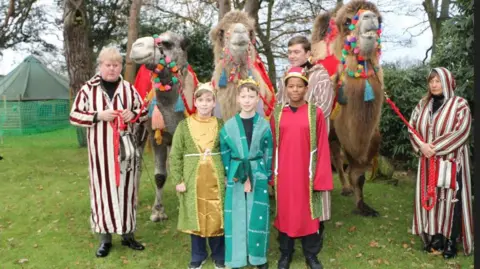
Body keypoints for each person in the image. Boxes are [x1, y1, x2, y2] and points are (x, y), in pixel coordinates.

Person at [69, 46, 148, 258]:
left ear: (120, 66)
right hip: (100, 155)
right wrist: (97, 115)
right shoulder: (88, 89)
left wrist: (132, 114)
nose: (112, 69)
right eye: (108, 65)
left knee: (127, 192)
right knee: (102, 194)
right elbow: (74, 116)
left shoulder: (129, 89)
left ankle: (128, 235)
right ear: (100, 66)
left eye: (116, 65)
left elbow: (143, 112)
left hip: (125, 153)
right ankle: (105, 239)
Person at [270, 67, 333, 269]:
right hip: (285, 174)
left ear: (306, 88)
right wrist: (272, 173)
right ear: (285, 89)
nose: (295, 90)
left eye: (299, 86)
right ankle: (285, 254)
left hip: (307, 174)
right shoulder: (277, 114)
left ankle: (311, 255)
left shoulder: (316, 113)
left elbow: (322, 145)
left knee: (308, 215)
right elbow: (271, 145)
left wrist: (321, 177)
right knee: (285, 214)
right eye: (291, 86)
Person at [408, 67, 473, 258]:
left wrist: (433, 148)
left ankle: (452, 241)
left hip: (451, 162)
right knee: (433, 199)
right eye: (431, 81)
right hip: (428, 163)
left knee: (452, 201)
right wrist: (421, 148)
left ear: (446, 82)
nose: (434, 85)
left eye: (438, 81)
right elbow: (412, 128)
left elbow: (461, 131)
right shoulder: (422, 105)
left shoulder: (460, 104)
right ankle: (436, 238)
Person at [169, 82, 225, 269]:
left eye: (208, 100)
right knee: (196, 215)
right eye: (200, 100)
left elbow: (227, 151)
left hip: (215, 179)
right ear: (195, 102)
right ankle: (198, 254)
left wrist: (226, 175)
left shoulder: (220, 124)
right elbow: (175, 154)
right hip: (193, 180)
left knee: (217, 215)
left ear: (214, 103)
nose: (204, 104)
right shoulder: (184, 126)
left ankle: (219, 255)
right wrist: (178, 179)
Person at [220, 78, 273, 269]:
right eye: (243, 96)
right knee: (236, 213)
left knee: (257, 213)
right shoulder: (229, 126)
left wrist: (266, 173)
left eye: (251, 96)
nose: (247, 100)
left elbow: (268, 150)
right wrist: (228, 173)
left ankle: (258, 257)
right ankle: (236, 257)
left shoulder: (264, 125)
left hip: (257, 172)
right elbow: (224, 151)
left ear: (258, 98)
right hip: (236, 173)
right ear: (237, 99)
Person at [276, 36, 334, 129]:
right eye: (290, 52)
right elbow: (279, 103)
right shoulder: (285, 76)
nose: (291, 56)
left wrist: (299, 122)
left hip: (311, 134)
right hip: (287, 132)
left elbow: (324, 107)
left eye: (296, 52)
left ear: (307, 54)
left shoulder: (320, 75)